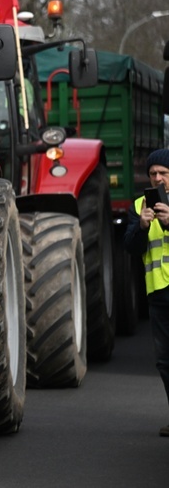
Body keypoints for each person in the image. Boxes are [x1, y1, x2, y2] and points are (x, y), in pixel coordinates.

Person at [123, 148, 169, 437]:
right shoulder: (140, 205)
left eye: (163, 173)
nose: (157, 178)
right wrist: (141, 226)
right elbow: (130, 247)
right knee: (165, 361)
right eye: (153, 174)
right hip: (159, 295)